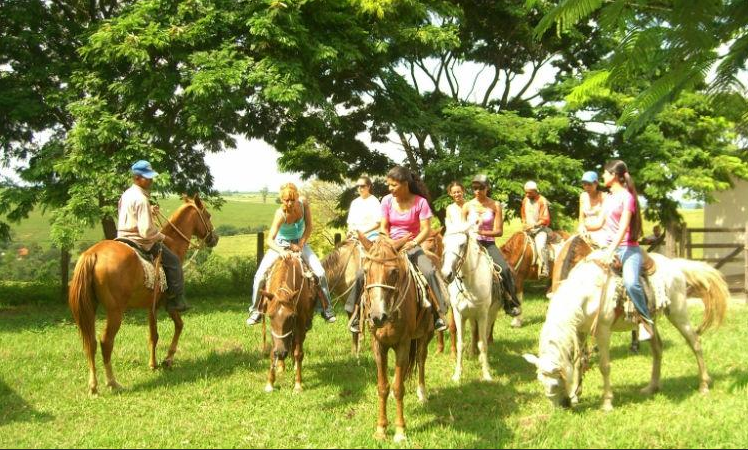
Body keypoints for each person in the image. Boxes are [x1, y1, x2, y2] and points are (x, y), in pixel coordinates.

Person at [348, 166, 449, 333]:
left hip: (411, 245)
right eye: (389, 185)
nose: (390, 189)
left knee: (429, 272)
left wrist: (414, 242)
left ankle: (439, 313)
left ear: (405, 184)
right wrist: (387, 240)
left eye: (393, 185)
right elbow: (383, 226)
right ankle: (355, 313)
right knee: (362, 273)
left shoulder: (420, 202)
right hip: (388, 245)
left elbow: (425, 229)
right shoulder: (387, 200)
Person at [246, 183, 337, 325]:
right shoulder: (280, 214)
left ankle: (326, 309)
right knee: (260, 276)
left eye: (292, 200)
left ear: (297, 198)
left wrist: (301, 244)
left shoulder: (304, 204)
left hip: (300, 244)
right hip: (280, 245)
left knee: (320, 273)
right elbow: (270, 240)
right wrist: (282, 251)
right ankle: (255, 311)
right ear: (281, 200)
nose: (289, 203)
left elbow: (309, 227)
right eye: (286, 200)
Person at [117, 160, 187, 312]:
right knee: (174, 262)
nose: (151, 180)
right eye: (147, 177)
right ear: (136, 178)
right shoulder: (141, 199)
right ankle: (175, 300)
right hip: (140, 241)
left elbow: (131, 213)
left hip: (122, 237)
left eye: (151, 177)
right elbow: (146, 232)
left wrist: (148, 210)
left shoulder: (127, 194)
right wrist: (164, 237)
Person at [599, 160, 653, 328]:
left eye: (605, 173)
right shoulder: (608, 197)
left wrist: (610, 251)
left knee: (631, 283)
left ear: (614, 176)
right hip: (608, 246)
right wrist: (585, 226)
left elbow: (623, 228)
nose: (602, 175)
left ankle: (646, 320)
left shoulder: (627, 198)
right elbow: (599, 222)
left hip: (627, 249)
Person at [463, 175, 522, 317]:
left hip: (488, 243)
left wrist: (481, 231)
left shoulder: (495, 205)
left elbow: (499, 231)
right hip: (471, 243)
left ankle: (511, 302)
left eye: (481, 188)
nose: (477, 191)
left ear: (487, 188)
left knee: (505, 270)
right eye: (475, 188)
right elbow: (461, 227)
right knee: (454, 266)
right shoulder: (467, 206)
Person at [520, 180, 552, 277]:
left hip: (540, 230)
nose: (527, 194)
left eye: (529, 192)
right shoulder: (525, 200)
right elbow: (523, 214)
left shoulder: (542, 201)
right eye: (526, 192)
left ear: (535, 191)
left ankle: (545, 268)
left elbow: (545, 219)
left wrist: (533, 226)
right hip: (528, 230)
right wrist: (524, 223)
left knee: (540, 245)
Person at [577, 171, 608, 248]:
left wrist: (586, 228)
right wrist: (581, 226)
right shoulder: (583, 196)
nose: (587, 187)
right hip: (585, 229)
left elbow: (603, 221)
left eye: (589, 184)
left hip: (601, 230)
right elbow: (581, 216)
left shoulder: (603, 197)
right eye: (584, 185)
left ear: (596, 184)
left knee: (602, 246)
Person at [346, 175, 381, 240]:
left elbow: (378, 224)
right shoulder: (354, 202)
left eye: (362, 186)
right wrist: (350, 231)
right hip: (355, 236)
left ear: (368, 187)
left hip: (371, 235)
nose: (359, 188)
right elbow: (350, 223)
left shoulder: (374, 201)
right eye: (357, 186)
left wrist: (361, 233)